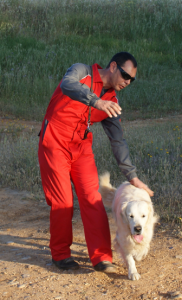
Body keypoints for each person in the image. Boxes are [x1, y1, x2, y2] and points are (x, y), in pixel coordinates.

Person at [38, 51, 154, 274]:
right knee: (63, 201)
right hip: (54, 140)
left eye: (132, 79)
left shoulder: (112, 101)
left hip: (81, 146)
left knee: (93, 198)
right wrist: (96, 101)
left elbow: (117, 141)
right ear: (112, 66)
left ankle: (101, 258)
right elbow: (67, 84)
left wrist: (133, 177)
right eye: (125, 76)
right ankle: (60, 255)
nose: (127, 82)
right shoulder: (82, 71)